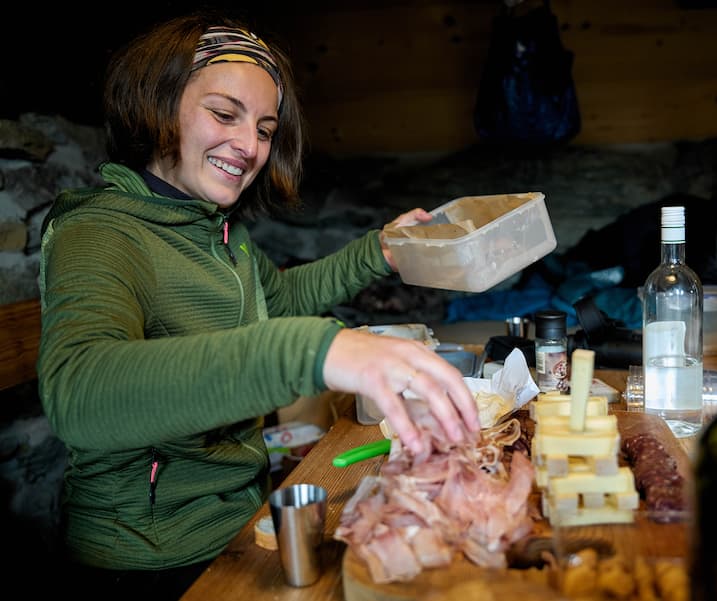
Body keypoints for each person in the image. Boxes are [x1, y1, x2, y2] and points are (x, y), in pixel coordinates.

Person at [36, 12, 480, 599]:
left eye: (266, 129)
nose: (248, 146)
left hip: (244, 523)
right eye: (224, 114)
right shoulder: (96, 234)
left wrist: (381, 251)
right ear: (157, 103)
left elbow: (281, 300)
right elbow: (80, 393)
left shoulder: (218, 233)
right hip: (150, 561)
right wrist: (320, 350)